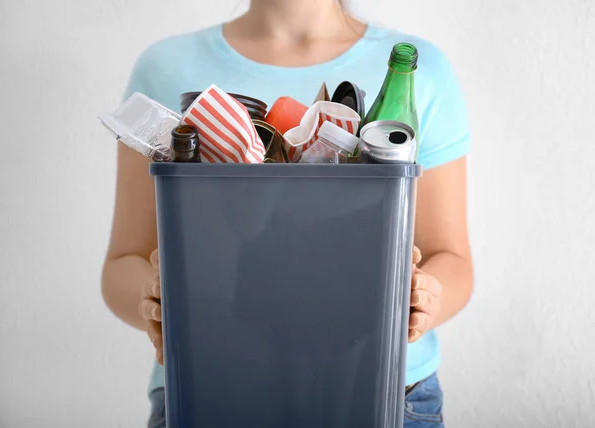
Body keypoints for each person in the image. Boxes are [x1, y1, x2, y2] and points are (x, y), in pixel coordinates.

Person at [101, 0, 474, 426]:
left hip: (386, 393)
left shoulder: (423, 69)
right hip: (208, 386)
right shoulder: (165, 66)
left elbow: (453, 259)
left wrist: (422, 298)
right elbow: (122, 264)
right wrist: (158, 301)